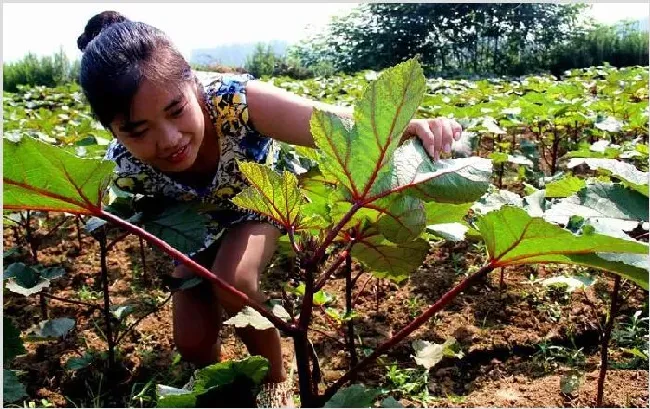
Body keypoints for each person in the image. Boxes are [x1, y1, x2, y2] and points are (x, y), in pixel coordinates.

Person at [77, 10, 463, 408]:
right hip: (196, 225)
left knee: (234, 281)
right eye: (138, 131)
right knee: (190, 341)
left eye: (176, 111)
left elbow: (331, 124)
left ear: (193, 84)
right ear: (113, 131)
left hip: (261, 200)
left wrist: (410, 125)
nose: (169, 139)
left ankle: (276, 381)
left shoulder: (238, 101)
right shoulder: (121, 167)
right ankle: (215, 386)